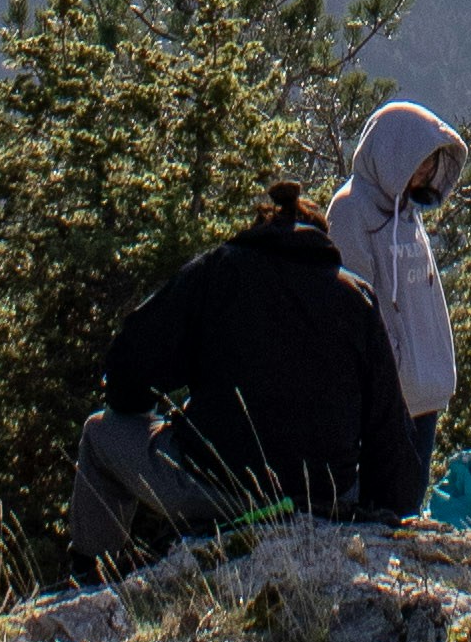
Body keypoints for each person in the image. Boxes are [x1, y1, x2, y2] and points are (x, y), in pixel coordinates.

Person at [65, 182, 412, 570]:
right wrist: (379, 513)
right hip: (326, 498)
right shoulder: (356, 296)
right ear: (321, 238)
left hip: (215, 487)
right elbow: (388, 430)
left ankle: (91, 578)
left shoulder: (218, 272)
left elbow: (132, 365)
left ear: (260, 228)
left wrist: (151, 409)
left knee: (100, 432)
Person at [323, 99, 466, 508]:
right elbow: (356, 305)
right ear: (392, 153)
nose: (423, 173)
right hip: (388, 394)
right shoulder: (351, 211)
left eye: (430, 164)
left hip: (423, 388)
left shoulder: (406, 212)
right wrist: (392, 369)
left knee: (408, 501)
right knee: (387, 504)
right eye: (418, 162)